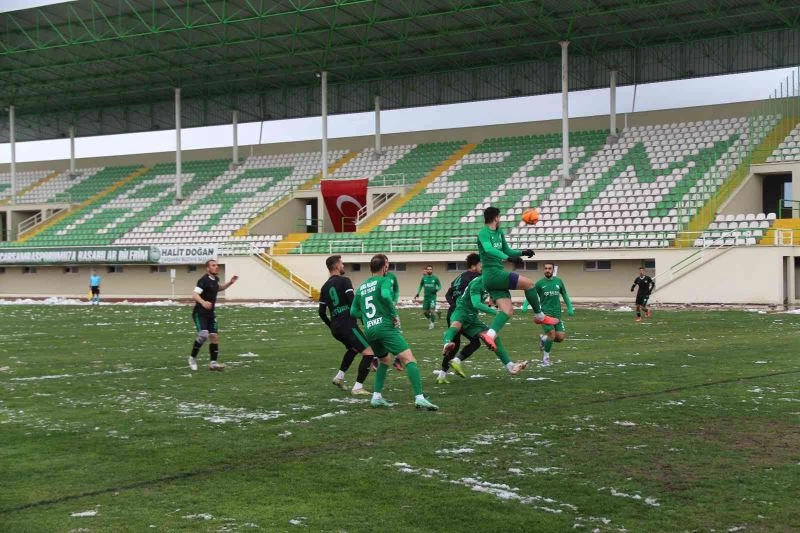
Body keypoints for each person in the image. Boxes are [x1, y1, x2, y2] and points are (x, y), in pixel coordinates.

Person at [350, 254, 438, 410]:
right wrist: (393, 315)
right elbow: (385, 295)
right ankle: (419, 398)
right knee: (409, 359)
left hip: (370, 329)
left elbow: (353, 311)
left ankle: (376, 397)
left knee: (384, 360)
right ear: (384, 266)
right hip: (384, 327)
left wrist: (367, 317)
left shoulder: (362, 286)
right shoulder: (384, 281)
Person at [476, 206, 559, 351]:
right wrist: (508, 258)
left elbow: (506, 250)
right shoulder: (483, 233)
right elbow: (489, 249)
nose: (499, 219)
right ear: (495, 217)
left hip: (495, 276)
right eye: (499, 217)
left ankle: (490, 335)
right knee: (530, 285)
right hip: (492, 274)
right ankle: (540, 316)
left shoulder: (499, 232)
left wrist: (522, 252)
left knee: (507, 311)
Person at [437, 266, 528, 383]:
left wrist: (495, 301)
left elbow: (492, 298)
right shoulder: (476, 283)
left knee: (493, 337)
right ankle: (446, 344)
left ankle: (510, 366)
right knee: (455, 325)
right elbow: (476, 304)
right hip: (461, 311)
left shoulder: (490, 284)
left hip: (473, 317)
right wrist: (496, 312)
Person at [318, 255, 374, 395]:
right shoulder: (345, 281)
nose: (343, 266)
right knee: (369, 353)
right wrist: (363, 320)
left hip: (336, 328)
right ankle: (358, 387)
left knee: (354, 349)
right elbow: (353, 302)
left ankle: (339, 377)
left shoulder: (324, 287)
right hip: (347, 325)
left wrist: (331, 325)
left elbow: (321, 312)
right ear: (337, 266)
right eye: (342, 264)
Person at [188, 260, 238, 371]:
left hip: (211, 313)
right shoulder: (203, 280)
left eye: (217, 265)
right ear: (208, 268)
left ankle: (213, 363)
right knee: (203, 335)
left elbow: (218, 288)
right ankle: (192, 358)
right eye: (213, 265)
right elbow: (195, 294)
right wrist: (203, 302)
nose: (216, 267)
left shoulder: (215, 279)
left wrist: (230, 283)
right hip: (200, 313)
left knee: (214, 336)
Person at [439, 253, 482, 380]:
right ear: (474, 266)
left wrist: (453, 304)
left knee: (454, 344)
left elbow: (448, 294)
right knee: (475, 342)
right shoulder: (475, 277)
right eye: (480, 265)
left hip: (452, 312)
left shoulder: (458, 278)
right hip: (463, 314)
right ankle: (457, 360)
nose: (482, 268)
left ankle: (442, 375)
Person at [534, 262, 574, 366]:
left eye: (549, 268)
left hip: (557, 314)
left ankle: (544, 339)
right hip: (545, 314)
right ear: (544, 270)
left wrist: (569, 307)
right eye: (546, 268)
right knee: (552, 335)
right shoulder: (539, 283)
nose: (547, 270)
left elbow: (564, 294)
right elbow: (532, 295)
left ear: (553, 270)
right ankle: (546, 359)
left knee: (560, 337)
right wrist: (525, 305)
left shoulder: (559, 281)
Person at [414, 264, 441, 330]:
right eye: (428, 269)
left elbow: (440, 286)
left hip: (432, 297)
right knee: (425, 312)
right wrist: (418, 293)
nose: (429, 270)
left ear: (432, 270)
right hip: (426, 297)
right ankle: (435, 315)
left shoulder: (435, 278)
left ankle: (432, 323)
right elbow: (420, 285)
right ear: (426, 270)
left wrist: (437, 290)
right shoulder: (424, 278)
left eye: (430, 269)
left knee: (431, 310)